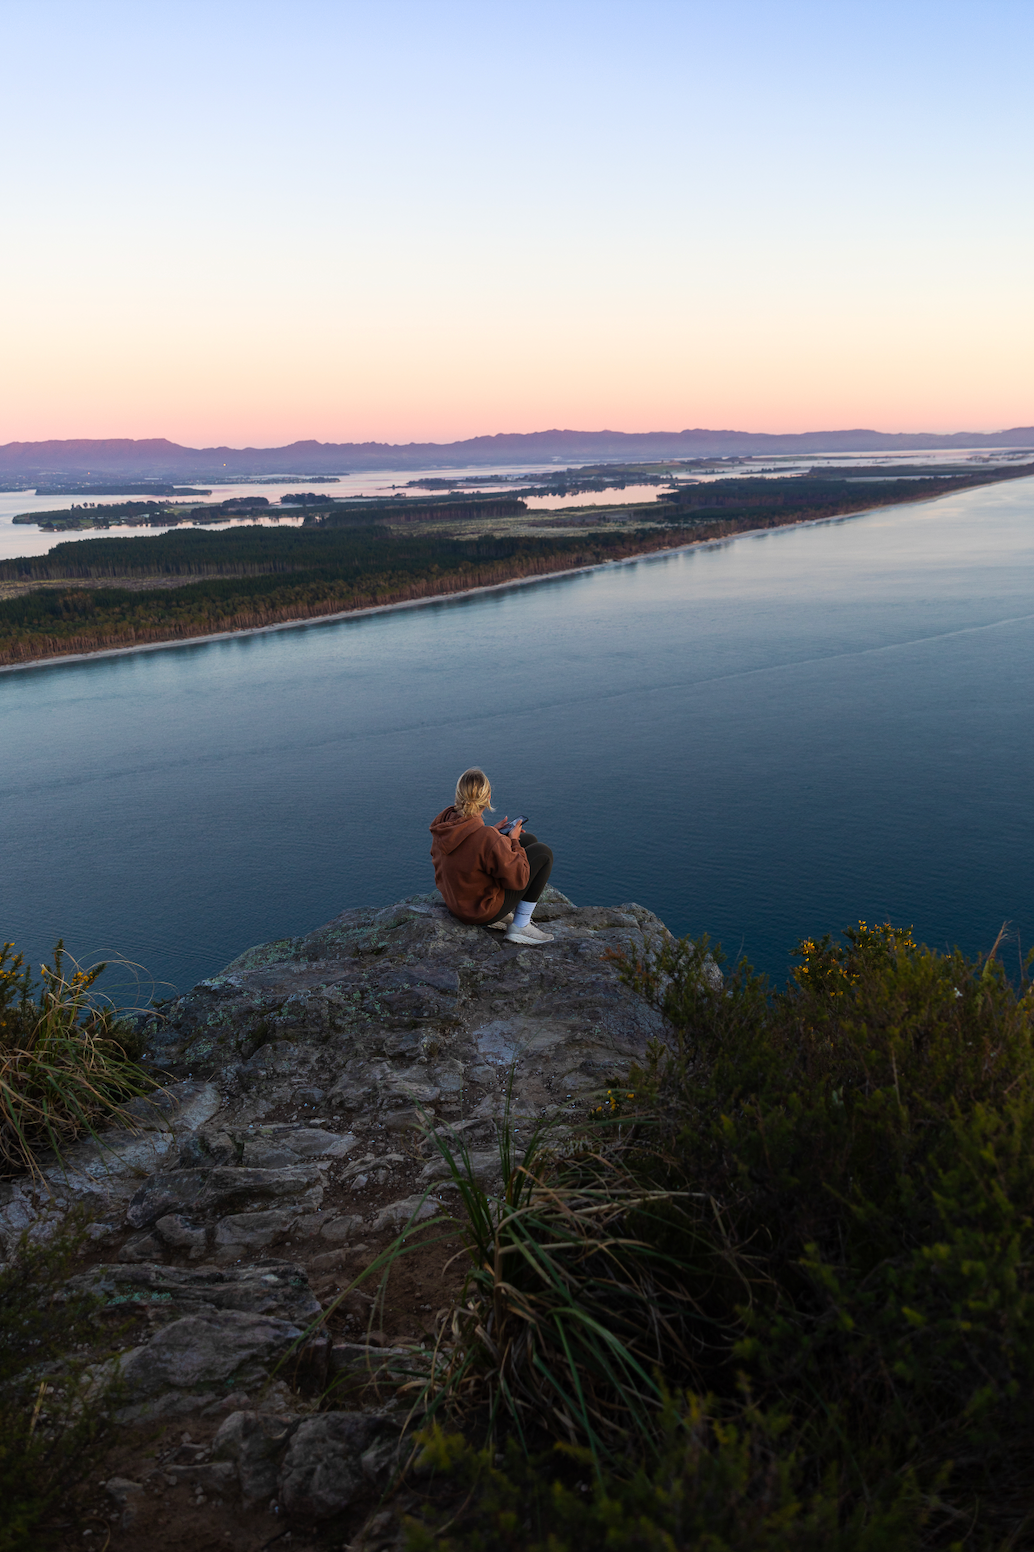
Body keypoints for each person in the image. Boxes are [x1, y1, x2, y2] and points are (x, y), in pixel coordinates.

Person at [429, 767, 554, 945]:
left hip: (457, 904)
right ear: (488, 798)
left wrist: (496, 834)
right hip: (481, 911)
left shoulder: (444, 826)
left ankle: (510, 919)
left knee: (529, 839)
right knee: (543, 852)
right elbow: (519, 879)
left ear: (458, 796)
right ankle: (521, 926)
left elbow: (469, 848)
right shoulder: (486, 837)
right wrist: (514, 841)